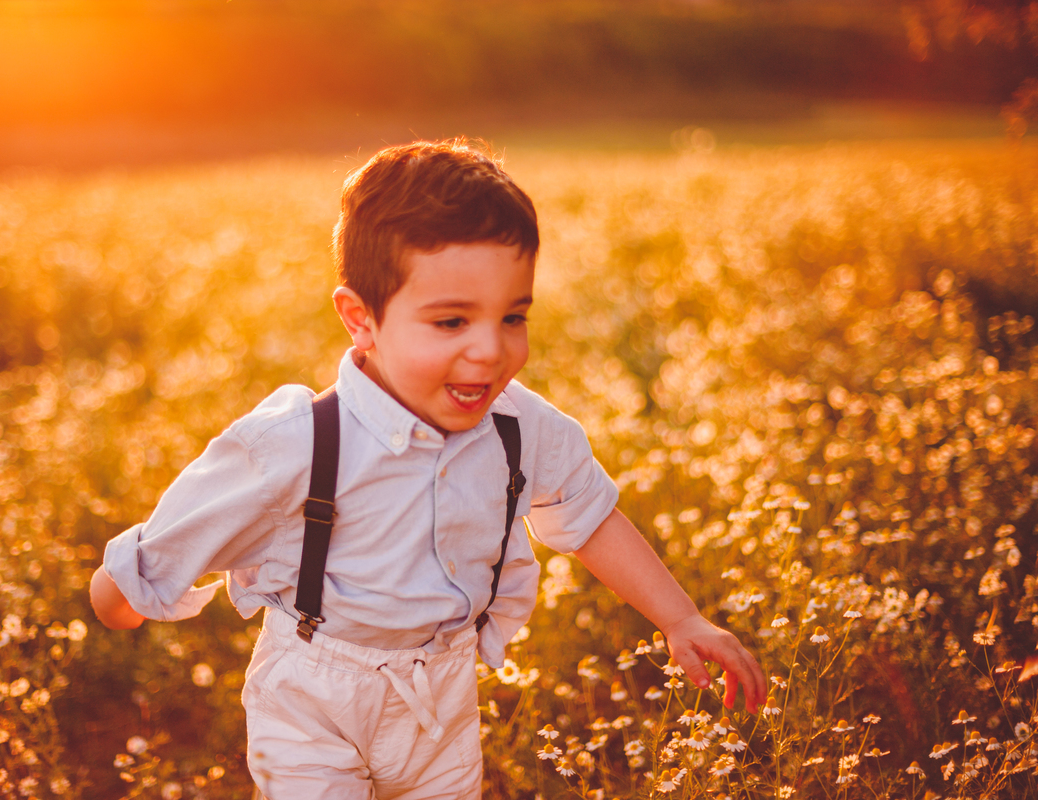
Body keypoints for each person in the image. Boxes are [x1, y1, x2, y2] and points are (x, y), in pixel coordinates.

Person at [90, 139, 766, 799]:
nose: (489, 351)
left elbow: (587, 516)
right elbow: (181, 532)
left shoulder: (518, 424)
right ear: (362, 320)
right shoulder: (295, 442)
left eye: (513, 316)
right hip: (313, 696)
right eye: (450, 323)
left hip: (442, 696)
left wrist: (681, 619)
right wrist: (120, 594)